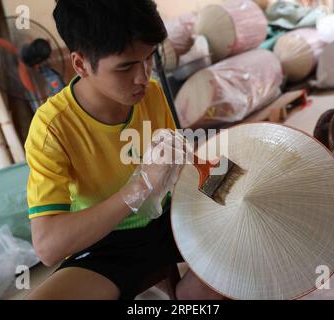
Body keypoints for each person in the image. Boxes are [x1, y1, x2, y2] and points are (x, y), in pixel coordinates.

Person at [25, 0, 223, 300]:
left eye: (149, 58)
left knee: (251, 236)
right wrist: (137, 189)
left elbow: (182, 169)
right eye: (126, 66)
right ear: (80, 65)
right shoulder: (52, 127)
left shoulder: (152, 94)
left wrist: (221, 178)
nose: (144, 76)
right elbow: (48, 246)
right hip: (106, 243)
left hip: (170, 221)